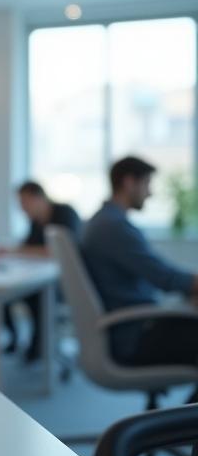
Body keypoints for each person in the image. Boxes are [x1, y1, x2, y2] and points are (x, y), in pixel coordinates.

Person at [82, 156, 198, 367]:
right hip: (136, 333)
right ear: (129, 182)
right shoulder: (112, 227)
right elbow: (165, 278)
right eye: (147, 184)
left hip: (137, 323)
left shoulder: (106, 221)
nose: (150, 193)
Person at [0, 181, 82, 362]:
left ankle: (37, 348)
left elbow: (57, 252)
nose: (22, 208)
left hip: (68, 282)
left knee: (38, 298)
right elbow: (27, 247)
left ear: (39, 198)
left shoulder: (65, 214)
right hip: (46, 278)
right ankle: (14, 339)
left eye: (24, 202)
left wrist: (16, 251)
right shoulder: (36, 222)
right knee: (3, 295)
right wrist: (11, 251)